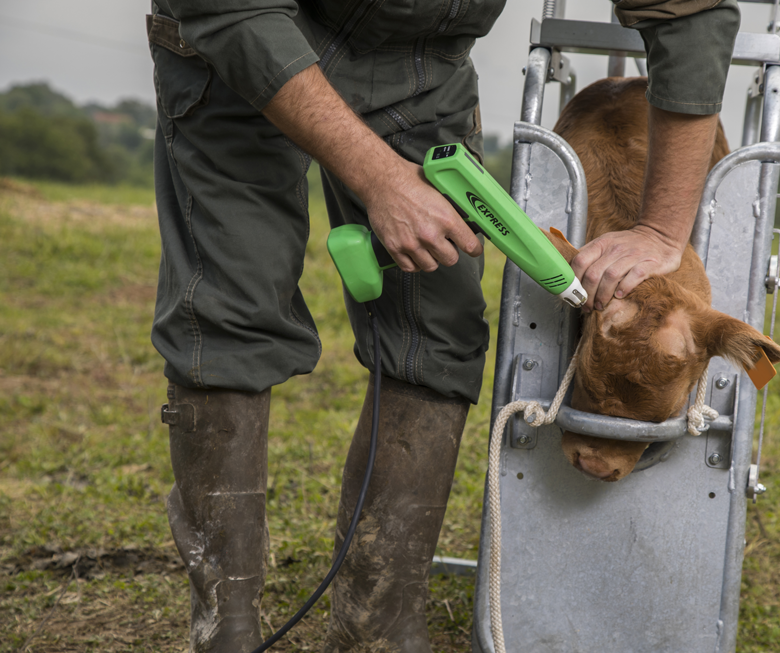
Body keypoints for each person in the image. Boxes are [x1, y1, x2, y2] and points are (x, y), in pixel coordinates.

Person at [147, 0, 740, 651]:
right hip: (244, 40)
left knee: (437, 327)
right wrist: (377, 178)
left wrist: (660, 228)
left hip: (416, 65)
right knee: (231, 312)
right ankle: (225, 629)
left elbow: (689, 13)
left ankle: (378, 627)